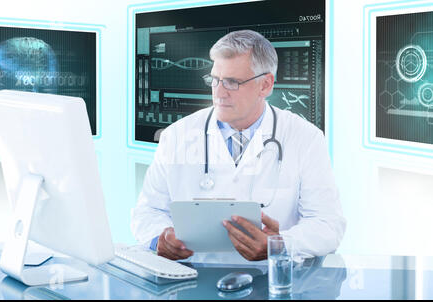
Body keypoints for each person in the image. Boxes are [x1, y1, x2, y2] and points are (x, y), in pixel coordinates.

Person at [131, 30, 346, 262]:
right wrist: (158, 239)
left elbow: (328, 225)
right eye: (214, 80)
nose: (219, 92)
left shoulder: (305, 138)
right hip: (192, 280)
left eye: (232, 82)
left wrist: (279, 244)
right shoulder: (176, 136)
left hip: (272, 281)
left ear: (265, 85)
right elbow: (148, 211)